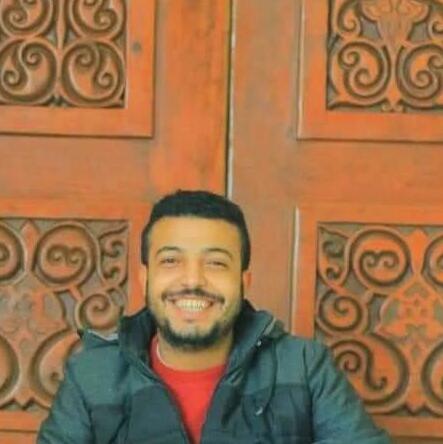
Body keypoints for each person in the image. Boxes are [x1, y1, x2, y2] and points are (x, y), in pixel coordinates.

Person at [38, 190, 390, 444]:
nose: (193, 280)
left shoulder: (303, 366)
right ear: (145, 278)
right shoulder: (92, 376)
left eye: (216, 263)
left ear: (244, 281)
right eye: (171, 261)